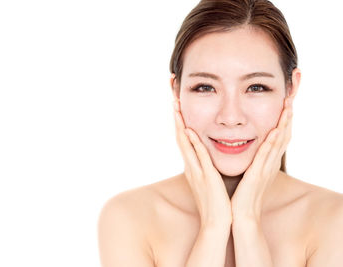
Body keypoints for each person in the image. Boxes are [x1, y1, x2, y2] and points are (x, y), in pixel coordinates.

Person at [97, 0, 343, 266]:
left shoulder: (333, 219)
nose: (230, 117)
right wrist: (214, 226)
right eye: (205, 87)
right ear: (176, 90)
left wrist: (247, 219)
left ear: (291, 88)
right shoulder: (129, 217)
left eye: (256, 87)